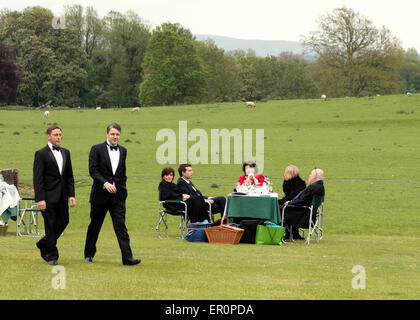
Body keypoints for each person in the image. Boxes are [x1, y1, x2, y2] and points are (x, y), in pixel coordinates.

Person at [84, 123, 140, 266]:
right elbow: (93, 171)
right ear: (107, 134)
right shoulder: (96, 149)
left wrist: (122, 187)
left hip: (118, 197)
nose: (115, 137)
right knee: (95, 226)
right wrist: (105, 183)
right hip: (100, 196)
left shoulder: (123, 150)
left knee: (121, 226)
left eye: (117, 134)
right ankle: (89, 254)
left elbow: (122, 172)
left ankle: (127, 258)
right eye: (113, 134)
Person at [33, 125, 76, 265]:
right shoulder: (41, 154)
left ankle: (44, 243)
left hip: (63, 196)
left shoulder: (66, 152)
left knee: (64, 221)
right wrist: (40, 199)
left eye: (60, 135)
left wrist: (71, 195)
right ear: (48, 136)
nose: (58, 137)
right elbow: (37, 178)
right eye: (55, 135)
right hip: (48, 197)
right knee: (50, 225)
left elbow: (69, 176)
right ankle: (52, 255)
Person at [280, 168, 325, 240]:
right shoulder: (319, 186)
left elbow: (302, 201)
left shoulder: (314, 187)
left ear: (315, 177)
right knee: (281, 207)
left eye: (311, 174)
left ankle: (283, 234)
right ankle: (292, 233)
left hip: (304, 214)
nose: (309, 176)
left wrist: (290, 202)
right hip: (308, 211)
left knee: (279, 209)